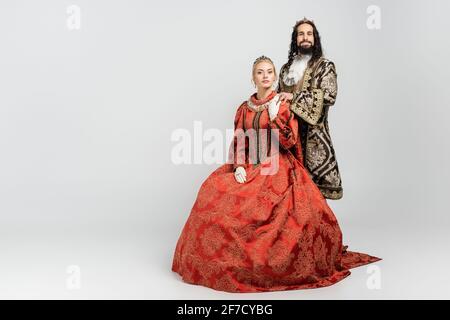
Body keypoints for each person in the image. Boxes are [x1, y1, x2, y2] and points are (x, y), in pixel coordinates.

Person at [171, 56, 381, 293]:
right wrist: (239, 165)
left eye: (270, 72)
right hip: (250, 165)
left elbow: (289, 141)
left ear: (274, 76)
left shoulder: (281, 105)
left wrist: (273, 118)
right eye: (260, 73)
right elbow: (240, 141)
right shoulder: (243, 108)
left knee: (266, 209)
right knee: (212, 192)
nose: (266, 76)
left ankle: (263, 265)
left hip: (278, 165)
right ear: (253, 78)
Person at [278, 18, 343, 200]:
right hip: (289, 137)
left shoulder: (325, 66)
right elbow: (278, 96)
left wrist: (294, 97)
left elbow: (329, 95)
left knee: (314, 197)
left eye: (309, 34)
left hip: (314, 139)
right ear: (295, 40)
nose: (305, 37)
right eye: (300, 34)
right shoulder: (285, 69)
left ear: (315, 39)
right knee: (288, 193)